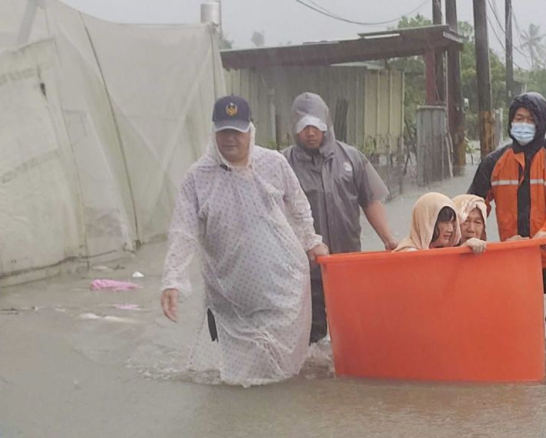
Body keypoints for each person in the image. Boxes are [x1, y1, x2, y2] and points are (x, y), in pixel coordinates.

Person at [159, 95, 328, 386]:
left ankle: (276, 421)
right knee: (238, 379)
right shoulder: (197, 178)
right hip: (230, 294)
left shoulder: (273, 163)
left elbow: (299, 206)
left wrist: (312, 241)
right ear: (214, 133)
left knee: (282, 373)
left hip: (282, 286)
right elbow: (183, 231)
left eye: (236, 132)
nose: (230, 139)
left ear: (250, 131)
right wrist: (172, 279)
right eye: (223, 132)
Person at [282, 92, 399, 343]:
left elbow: (370, 200)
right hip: (303, 271)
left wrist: (389, 239)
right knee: (308, 339)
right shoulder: (282, 164)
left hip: (347, 265)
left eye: (315, 125)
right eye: (303, 126)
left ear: (326, 123)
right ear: (294, 128)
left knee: (351, 332)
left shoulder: (352, 158)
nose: (310, 132)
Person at [468, 92, 546, 348]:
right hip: (515, 255)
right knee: (514, 320)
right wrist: (467, 235)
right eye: (519, 118)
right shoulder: (493, 163)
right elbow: (474, 207)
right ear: (510, 122)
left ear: (541, 123)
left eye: (530, 119)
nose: (523, 124)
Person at [394, 192, 485, 254]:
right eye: (444, 222)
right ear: (427, 222)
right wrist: (461, 252)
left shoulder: (441, 250)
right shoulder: (407, 252)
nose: (450, 229)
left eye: (452, 223)